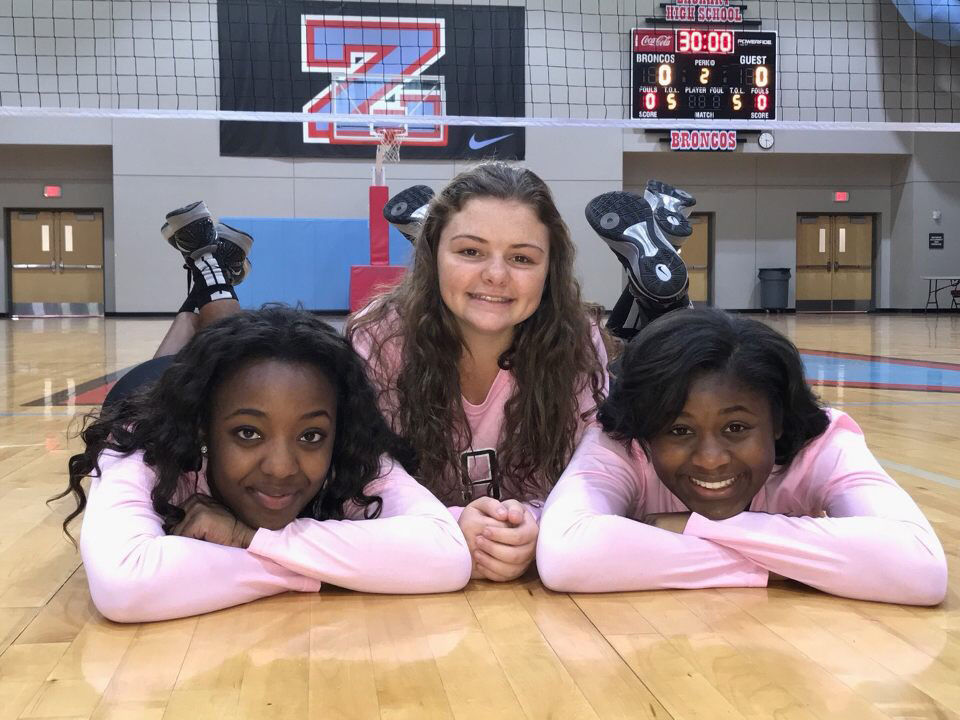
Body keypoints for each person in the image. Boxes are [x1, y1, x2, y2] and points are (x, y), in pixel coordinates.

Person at [56, 223, 472, 623]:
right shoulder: (140, 445)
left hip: (207, 388)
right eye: (248, 433)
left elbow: (446, 556)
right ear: (203, 428)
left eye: (311, 435)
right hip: (142, 395)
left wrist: (248, 538)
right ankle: (210, 275)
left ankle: (207, 278)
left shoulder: (350, 448)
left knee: (222, 354)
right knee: (173, 367)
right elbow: (125, 585)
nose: (281, 467)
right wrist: (329, 569)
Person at [537, 309, 947, 605]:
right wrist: (788, 564)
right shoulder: (621, 442)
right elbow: (565, 554)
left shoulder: (821, 443)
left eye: (736, 428)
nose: (711, 460)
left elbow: (920, 567)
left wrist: (687, 527)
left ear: (778, 420)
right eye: (679, 431)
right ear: (646, 430)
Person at [349, 162, 610, 582]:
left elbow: (595, 470)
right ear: (433, 253)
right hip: (413, 567)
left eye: (522, 258)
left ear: (550, 269)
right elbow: (361, 470)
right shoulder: (380, 337)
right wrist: (449, 526)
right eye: (470, 252)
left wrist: (536, 524)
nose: (495, 275)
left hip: (541, 571)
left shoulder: (576, 341)